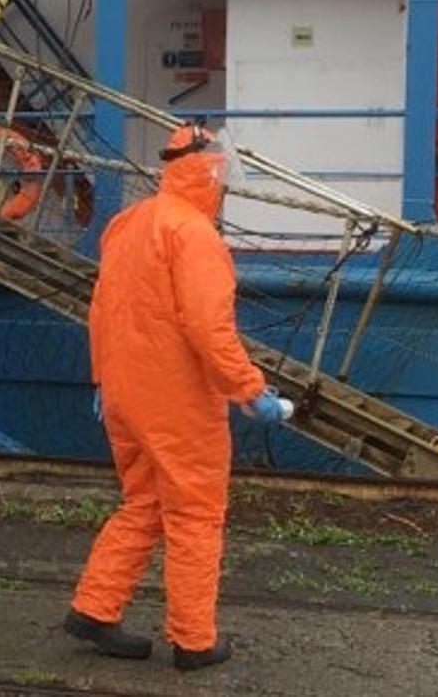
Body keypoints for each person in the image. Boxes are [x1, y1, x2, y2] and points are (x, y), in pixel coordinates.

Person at [63, 123, 292, 672]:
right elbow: (209, 330)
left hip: (123, 393)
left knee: (143, 503)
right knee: (195, 515)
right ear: (211, 172)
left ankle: (94, 608)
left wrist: (102, 380)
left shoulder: (129, 222)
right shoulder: (194, 235)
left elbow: (103, 309)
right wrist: (252, 392)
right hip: (177, 401)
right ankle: (194, 642)